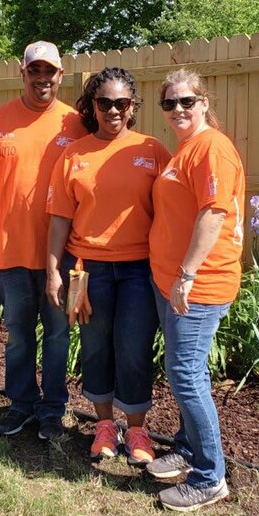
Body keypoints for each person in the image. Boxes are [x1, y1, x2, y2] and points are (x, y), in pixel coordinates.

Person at [0, 41, 88, 440]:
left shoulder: (77, 123)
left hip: (63, 257)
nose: (42, 78)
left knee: (57, 334)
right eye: (35, 70)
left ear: (60, 76)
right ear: (23, 73)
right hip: (10, 252)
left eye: (49, 71)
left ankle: (52, 409)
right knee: (18, 334)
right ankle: (20, 404)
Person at [46, 67, 170, 464]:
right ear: (92, 106)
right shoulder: (74, 154)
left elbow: (175, 208)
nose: (113, 110)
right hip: (87, 270)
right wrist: (53, 270)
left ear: (132, 105)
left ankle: (136, 430)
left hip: (139, 270)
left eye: (122, 103)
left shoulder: (151, 150)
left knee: (133, 350)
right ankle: (103, 426)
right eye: (105, 103)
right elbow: (59, 218)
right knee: (95, 347)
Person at [146, 69, 245, 511]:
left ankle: (210, 478)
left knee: (185, 374)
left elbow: (214, 214)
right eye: (170, 103)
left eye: (187, 101)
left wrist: (185, 275)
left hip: (199, 284)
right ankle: (188, 450)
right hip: (171, 281)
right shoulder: (184, 149)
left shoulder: (212, 148)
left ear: (204, 102)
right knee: (186, 370)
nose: (179, 109)